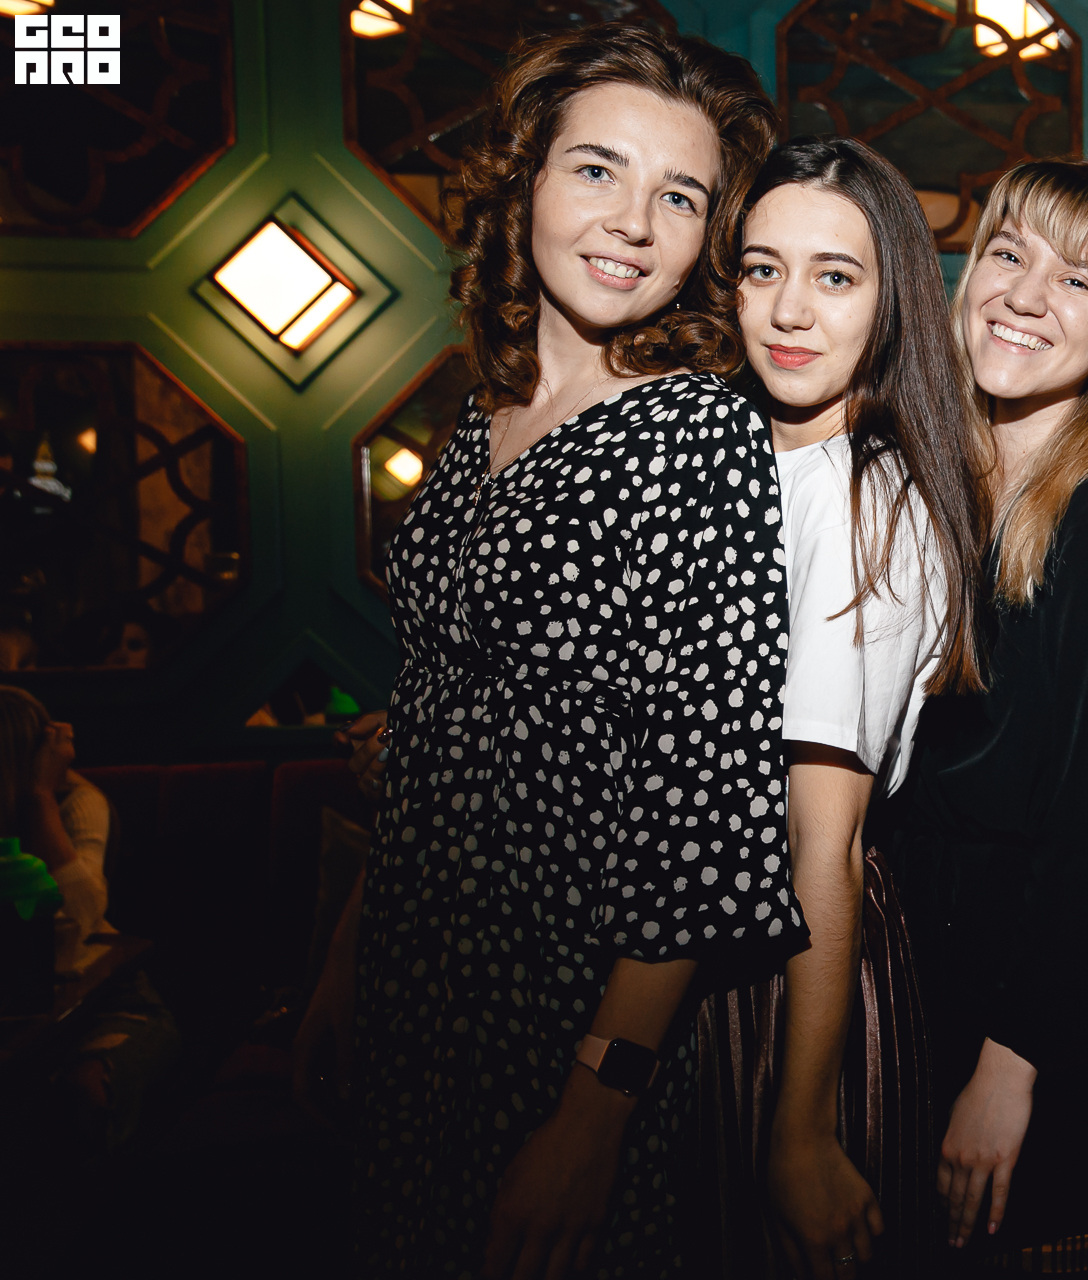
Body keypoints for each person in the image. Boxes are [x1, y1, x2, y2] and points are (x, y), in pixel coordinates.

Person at [292, 24, 792, 1278]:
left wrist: (595, 1115)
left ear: (709, 236)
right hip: (414, 971)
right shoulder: (487, 413)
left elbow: (704, 816)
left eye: (680, 195)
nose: (633, 221)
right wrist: (351, 951)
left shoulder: (699, 438)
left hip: (561, 1009)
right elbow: (429, 722)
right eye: (597, 169)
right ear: (523, 183)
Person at [874, 159, 1088, 1274]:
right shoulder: (922, 480)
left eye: (1078, 281)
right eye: (1010, 253)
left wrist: (1009, 1067)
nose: (1026, 295)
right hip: (910, 983)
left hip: (1029, 1029)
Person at [698, 136, 983, 1279]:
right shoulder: (737, 460)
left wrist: (803, 1128)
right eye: (762, 268)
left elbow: (827, 837)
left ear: (892, 300)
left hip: (795, 977)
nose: (789, 309)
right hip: (708, 951)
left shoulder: (866, 495)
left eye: (835, 275)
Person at [0, 686, 179, 1152]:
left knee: (84, 1094)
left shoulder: (75, 803)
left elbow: (82, 914)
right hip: (23, 1012)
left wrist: (40, 797)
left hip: (107, 999)